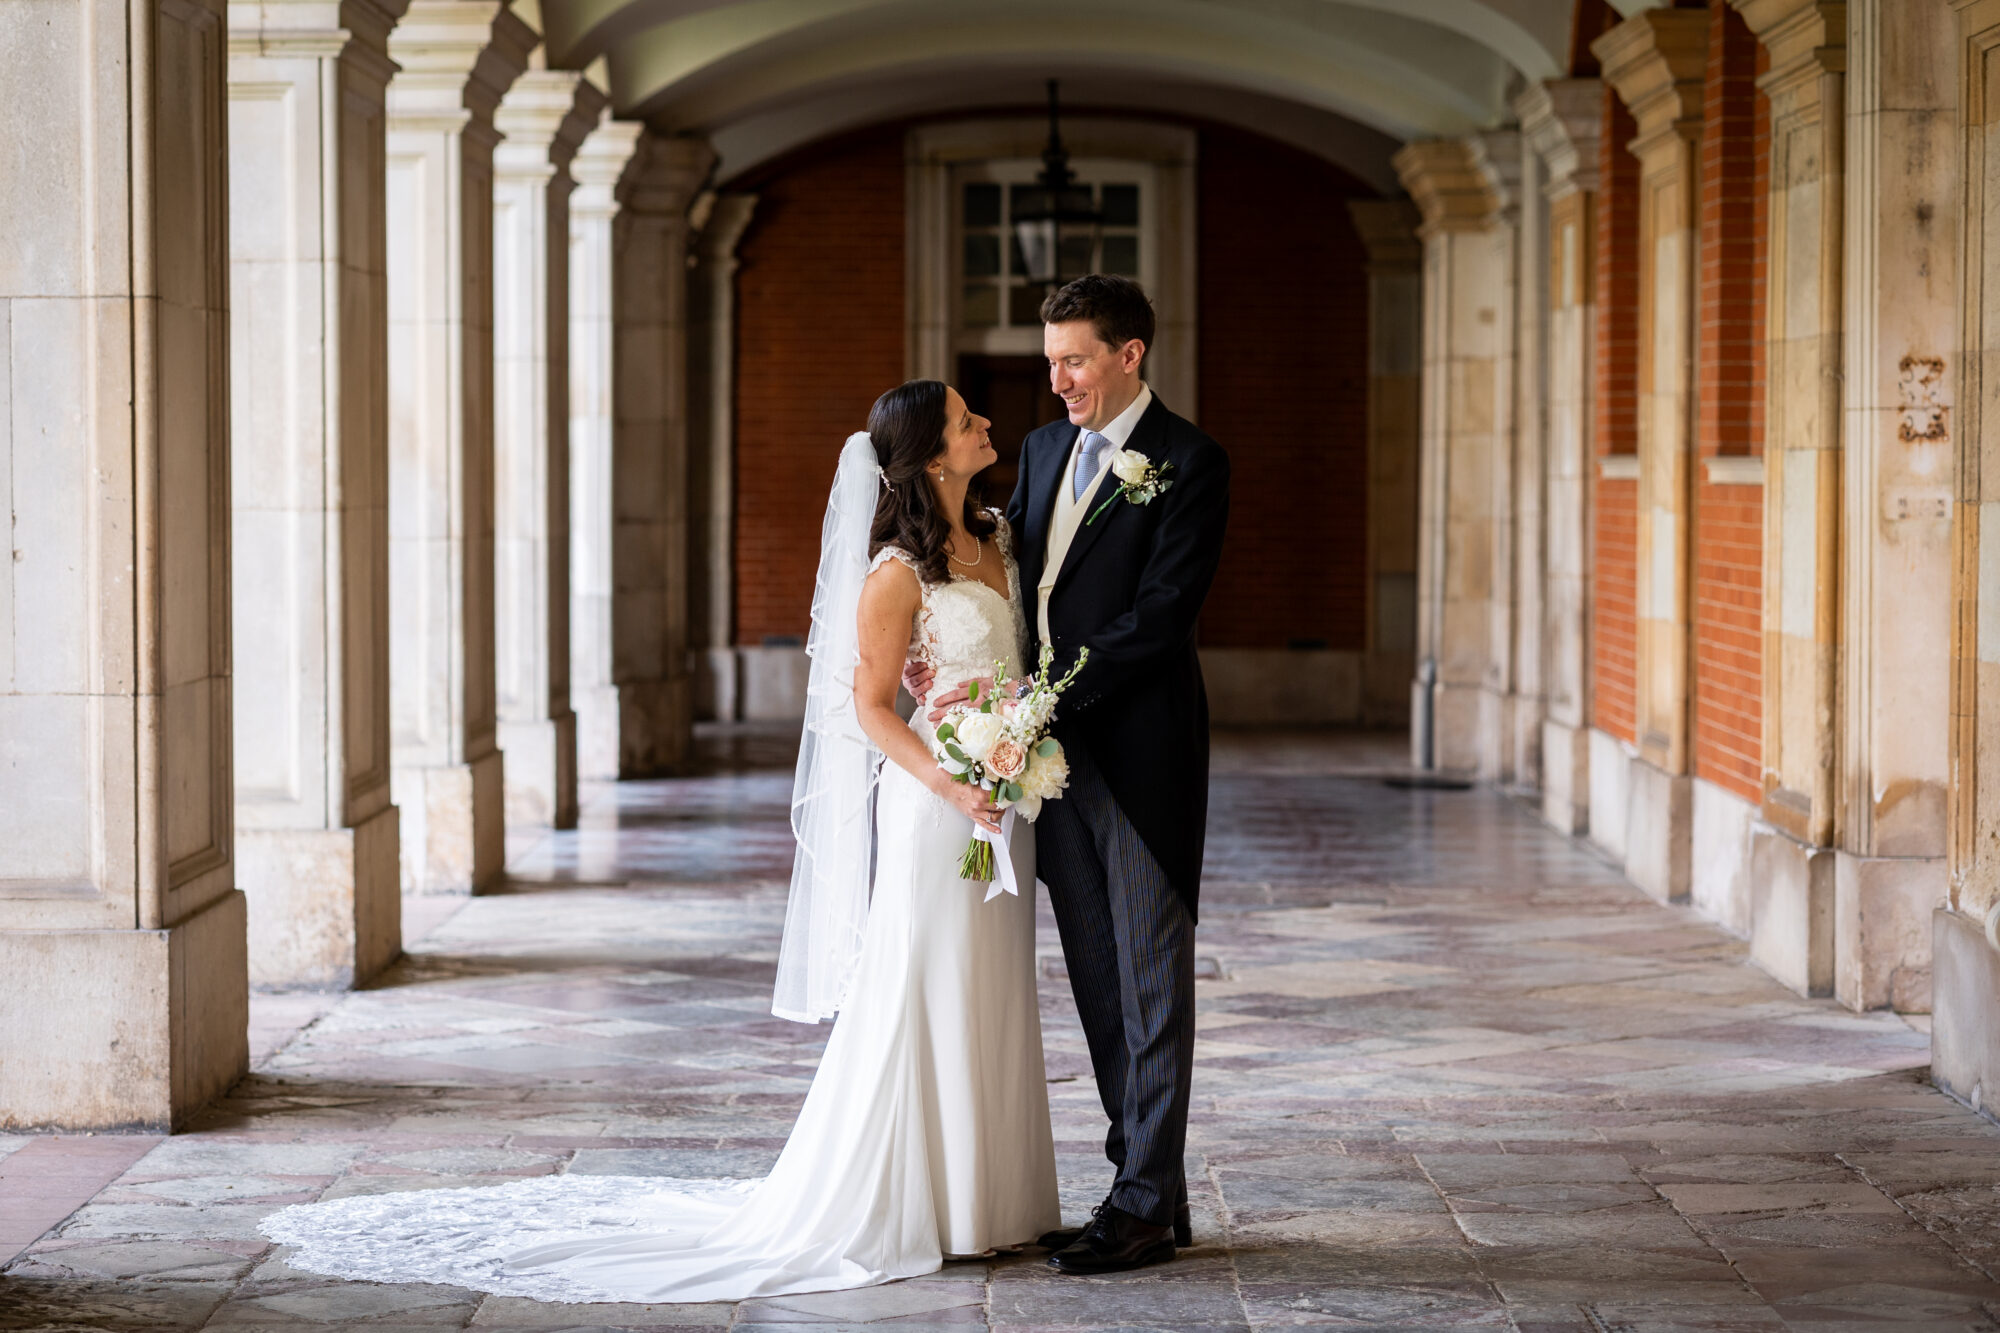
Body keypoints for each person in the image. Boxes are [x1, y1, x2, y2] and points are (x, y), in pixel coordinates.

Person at [258, 381, 1061, 1303]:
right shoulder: (894, 573)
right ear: (929, 455)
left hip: (1004, 803)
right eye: (966, 421)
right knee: (928, 986)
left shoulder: (997, 537)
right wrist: (951, 779)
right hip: (936, 806)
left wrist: (1011, 758)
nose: (987, 425)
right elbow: (870, 707)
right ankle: (923, 1202)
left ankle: (990, 1201)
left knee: (993, 985)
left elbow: (1010, 669)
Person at [908, 274, 1230, 1275]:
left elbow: (1159, 617)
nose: (1056, 384)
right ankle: (1147, 1185)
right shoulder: (1044, 453)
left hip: (1135, 754)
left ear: (1128, 355)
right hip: (1043, 765)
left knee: (1148, 976)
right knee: (1095, 974)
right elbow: (1008, 576)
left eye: (1074, 361)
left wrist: (1048, 697)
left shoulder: (1189, 461)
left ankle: (1137, 1200)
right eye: (1050, 364)